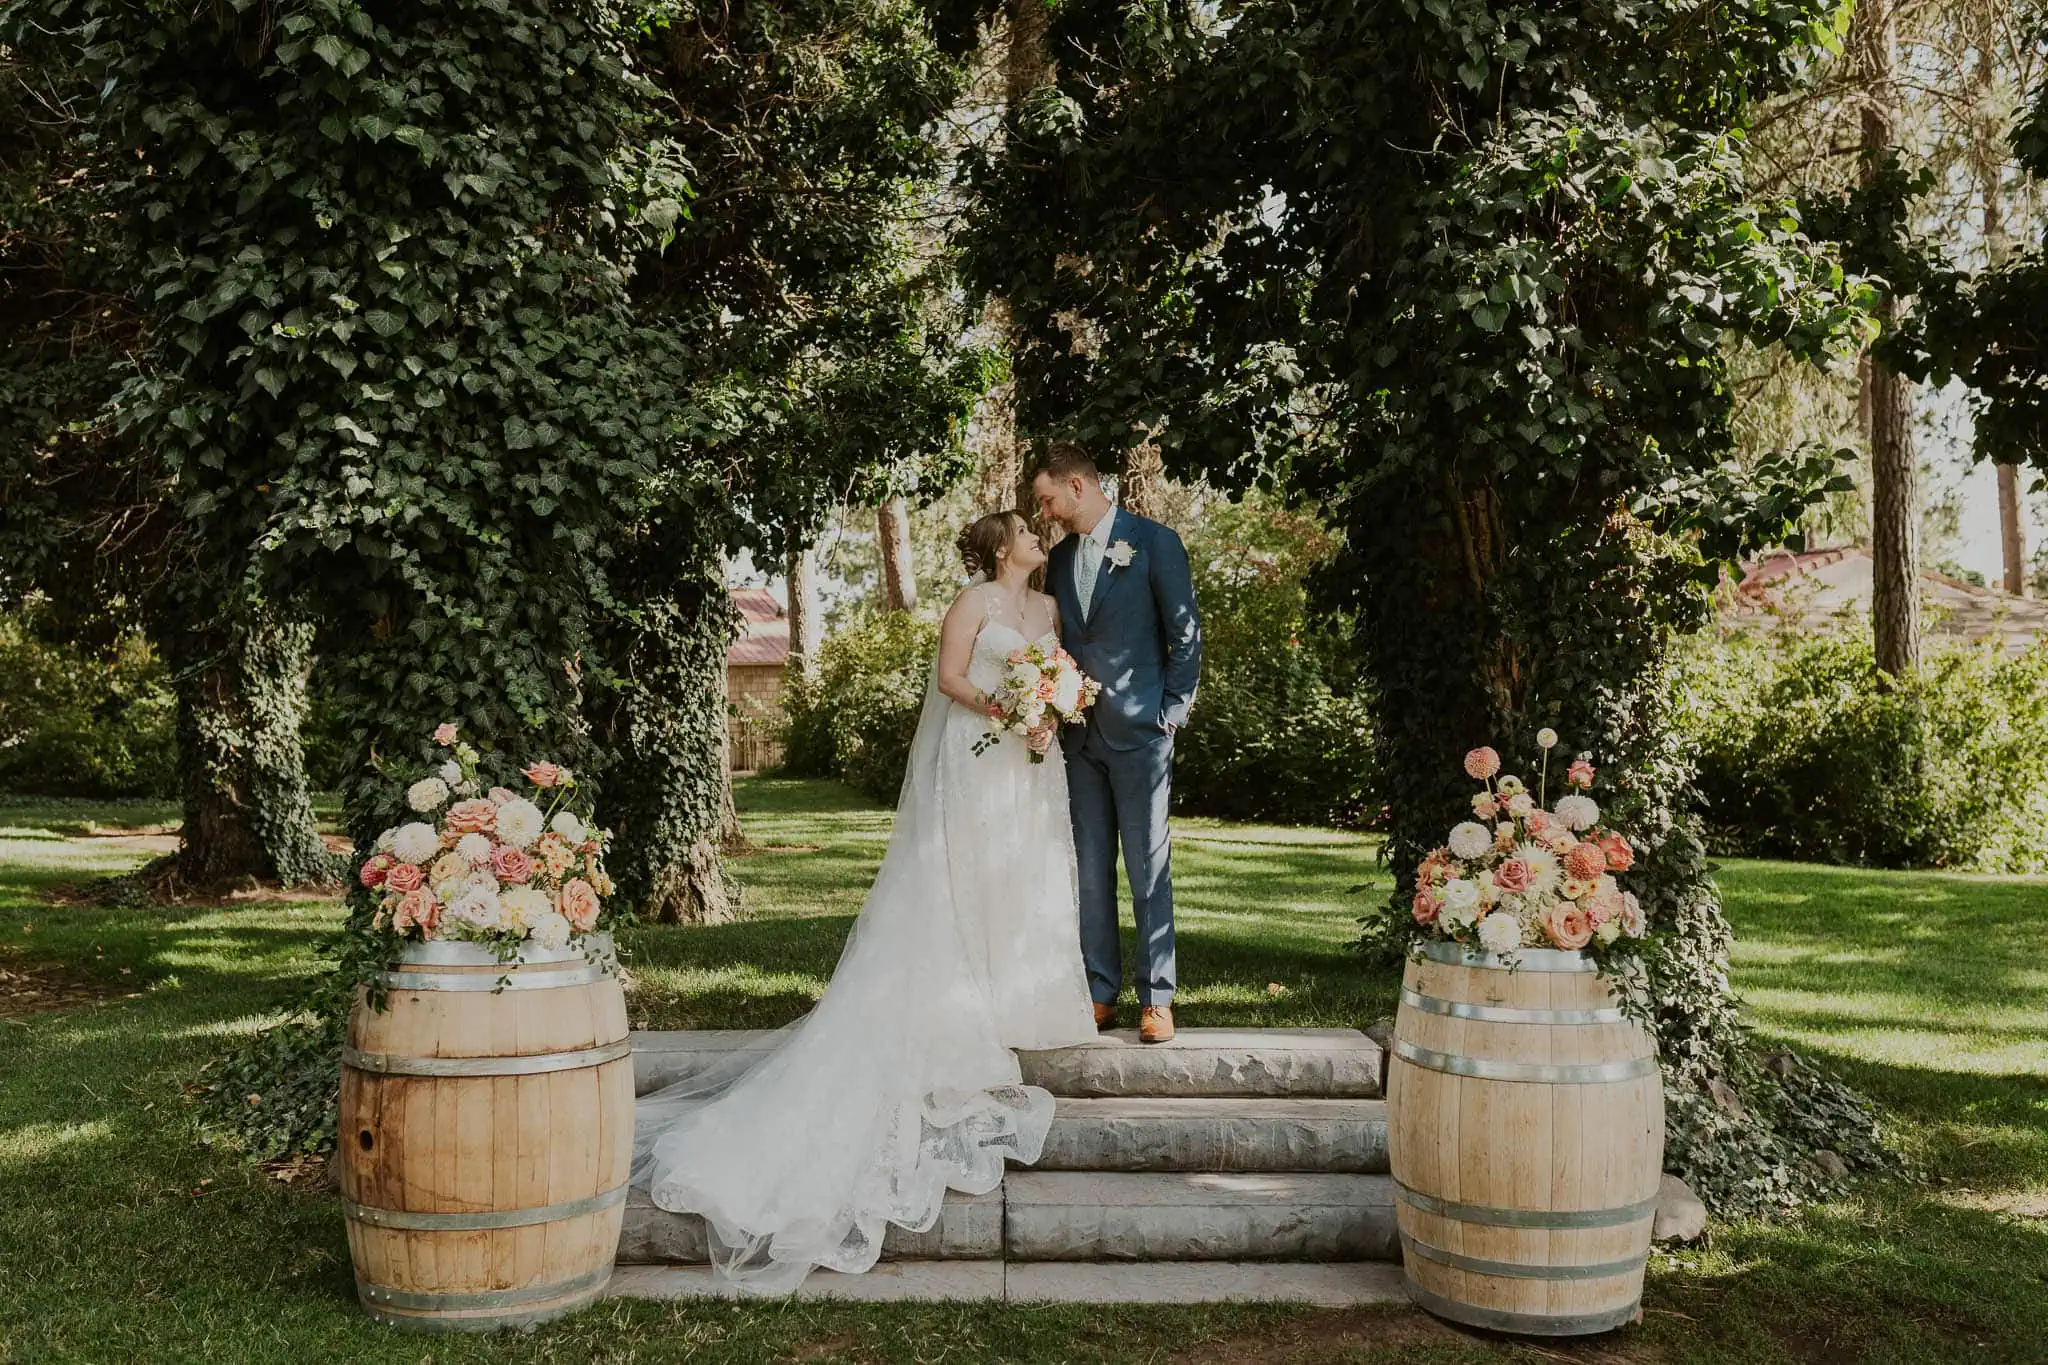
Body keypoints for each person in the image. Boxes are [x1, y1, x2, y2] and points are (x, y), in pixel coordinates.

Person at [633, 510, 1098, 1293]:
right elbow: (952, 678)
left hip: (1029, 759)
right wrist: (1005, 706)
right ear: (995, 548)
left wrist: (1048, 709)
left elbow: (1056, 670)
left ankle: (1025, 989)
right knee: (967, 872)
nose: (1035, 539)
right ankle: (970, 994)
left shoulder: (1048, 611)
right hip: (978, 751)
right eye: (1023, 532)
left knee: (1026, 870)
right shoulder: (971, 603)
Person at [1031, 444, 1202, 1044]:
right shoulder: (1056, 561)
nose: (1045, 512)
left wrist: (1171, 714)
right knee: (1091, 869)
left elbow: (1185, 634)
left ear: (1077, 486)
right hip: (1078, 739)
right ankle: (1098, 992)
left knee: (1149, 868)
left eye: (1048, 498)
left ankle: (1157, 998)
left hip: (1142, 735)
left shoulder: (1155, 543)